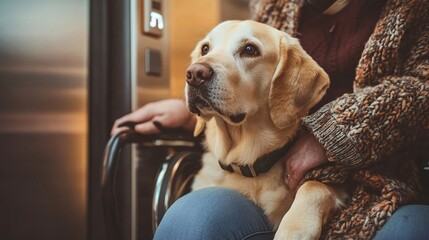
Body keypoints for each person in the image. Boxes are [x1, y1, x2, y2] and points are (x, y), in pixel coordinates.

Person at [112, 0, 429, 239]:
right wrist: (187, 107)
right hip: (252, 180)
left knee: (414, 228)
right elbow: (247, 87)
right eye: (204, 50)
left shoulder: (414, 10)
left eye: (247, 50)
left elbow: (423, 89)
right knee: (194, 217)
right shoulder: (270, 6)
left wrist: (331, 132)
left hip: (379, 188)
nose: (200, 69)